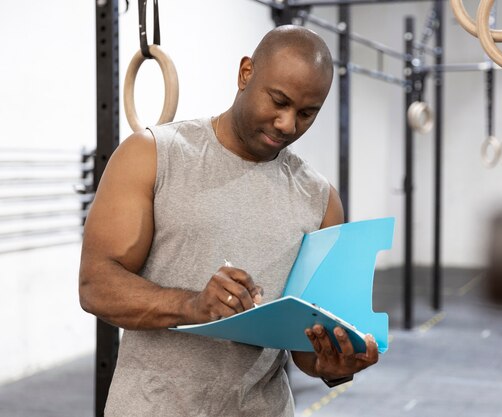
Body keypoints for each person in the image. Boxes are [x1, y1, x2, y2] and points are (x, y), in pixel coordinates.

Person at [79, 25, 379, 416]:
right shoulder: (153, 156)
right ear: (246, 73)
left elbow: (306, 348)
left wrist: (332, 364)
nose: (288, 124)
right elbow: (96, 285)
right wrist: (191, 305)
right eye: (278, 101)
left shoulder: (320, 199)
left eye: (307, 113)